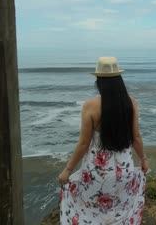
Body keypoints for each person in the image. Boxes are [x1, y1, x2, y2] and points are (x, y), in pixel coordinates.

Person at [58, 57, 148, 225]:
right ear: (119, 80)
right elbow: (136, 137)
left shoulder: (90, 106)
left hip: (96, 175)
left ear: (99, 81)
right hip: (125, 172)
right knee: (119, 209)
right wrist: (143, 159)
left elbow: (84, 143)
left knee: (89, 209)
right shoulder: (130, 103)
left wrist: (68, 170)